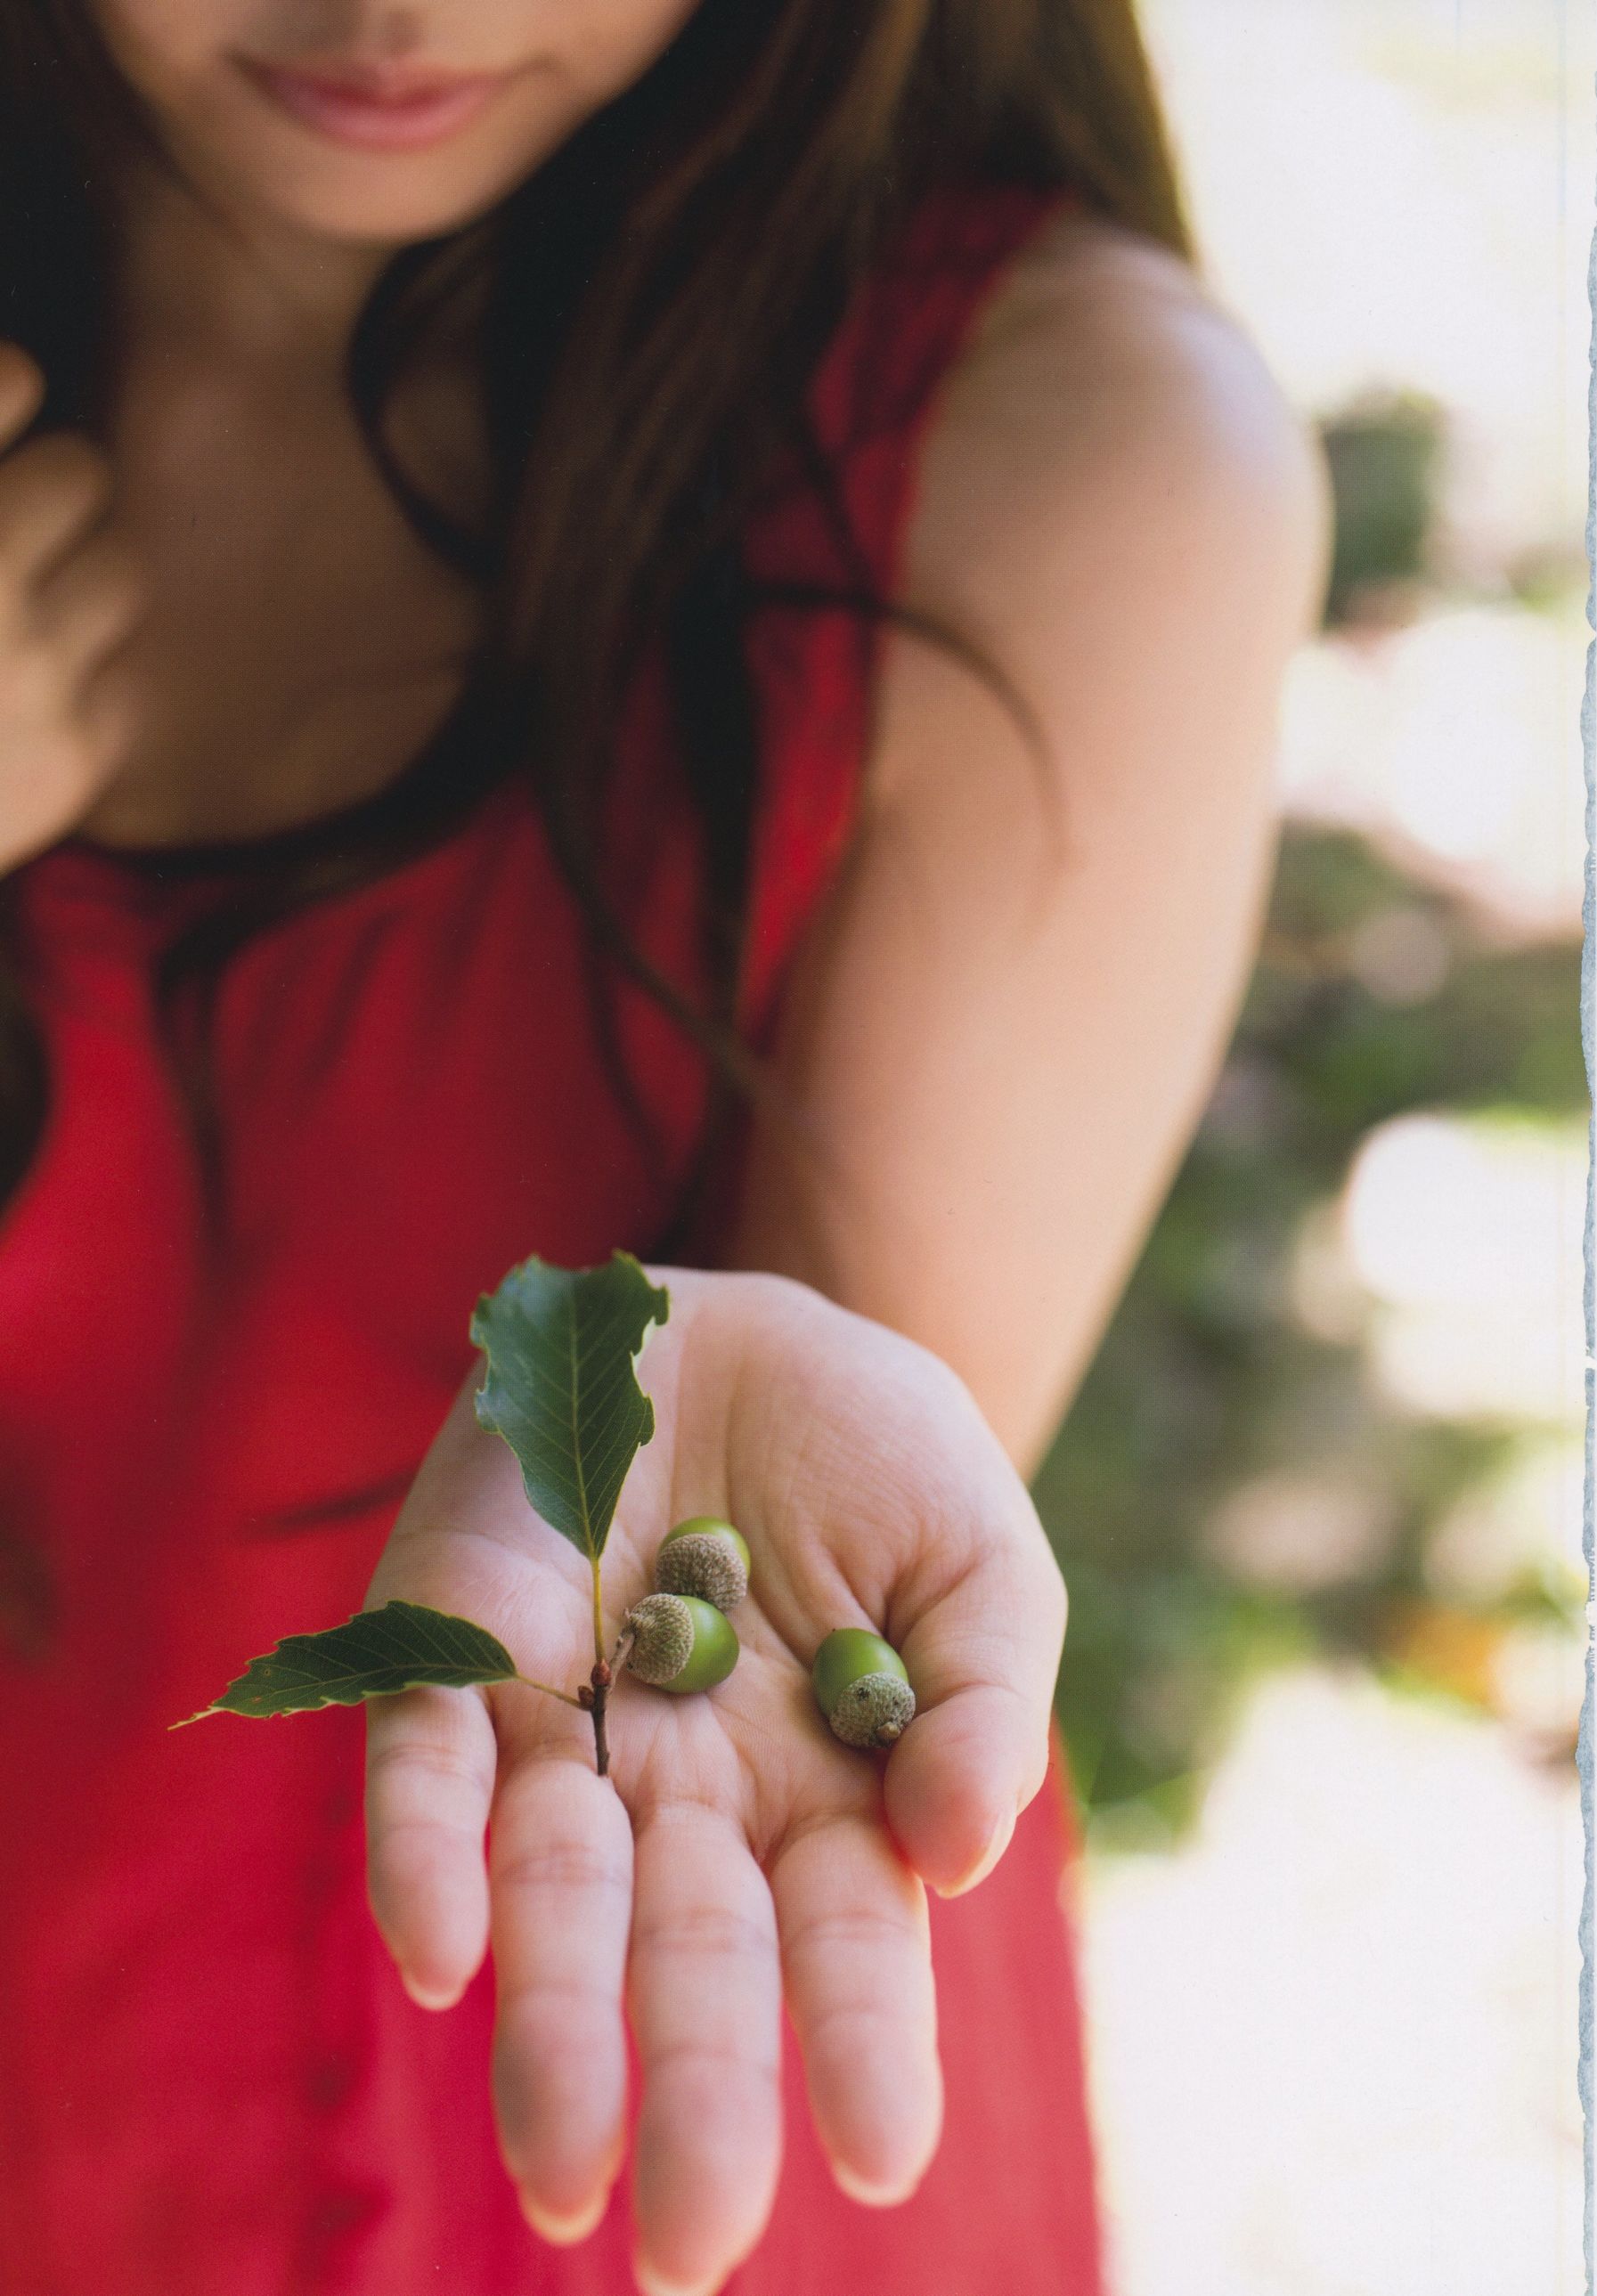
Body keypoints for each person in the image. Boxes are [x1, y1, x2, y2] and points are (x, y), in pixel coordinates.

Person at [0, 4, 1329, 2292]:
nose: (400, 9)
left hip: (574, 2115)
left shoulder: (1060, 459)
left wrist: (744, 1384)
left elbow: (786, 1612)